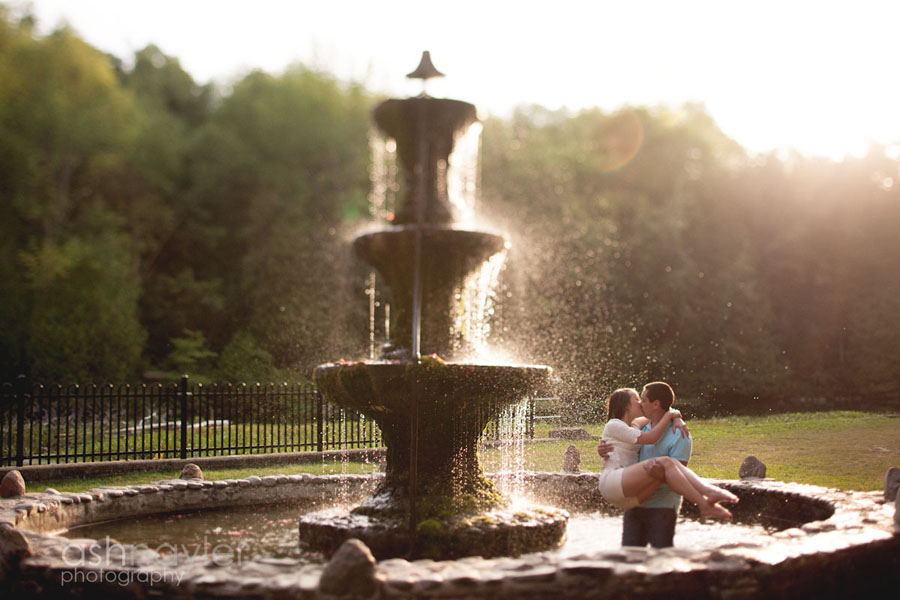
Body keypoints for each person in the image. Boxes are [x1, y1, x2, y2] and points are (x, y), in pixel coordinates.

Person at [596, 383, 738, 547]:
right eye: (637, 399)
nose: (641, 403)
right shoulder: (634, 427)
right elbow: (651, 437)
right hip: (626, 492)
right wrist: (671, 416)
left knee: (660, 558)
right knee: (630, 559)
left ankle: (707, 496)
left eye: (642, 399)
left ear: (655, 404)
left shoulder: (674, 432)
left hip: (659, 504)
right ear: (626, 406)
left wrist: (675, 416)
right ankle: (706, 496)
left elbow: (679, 470)